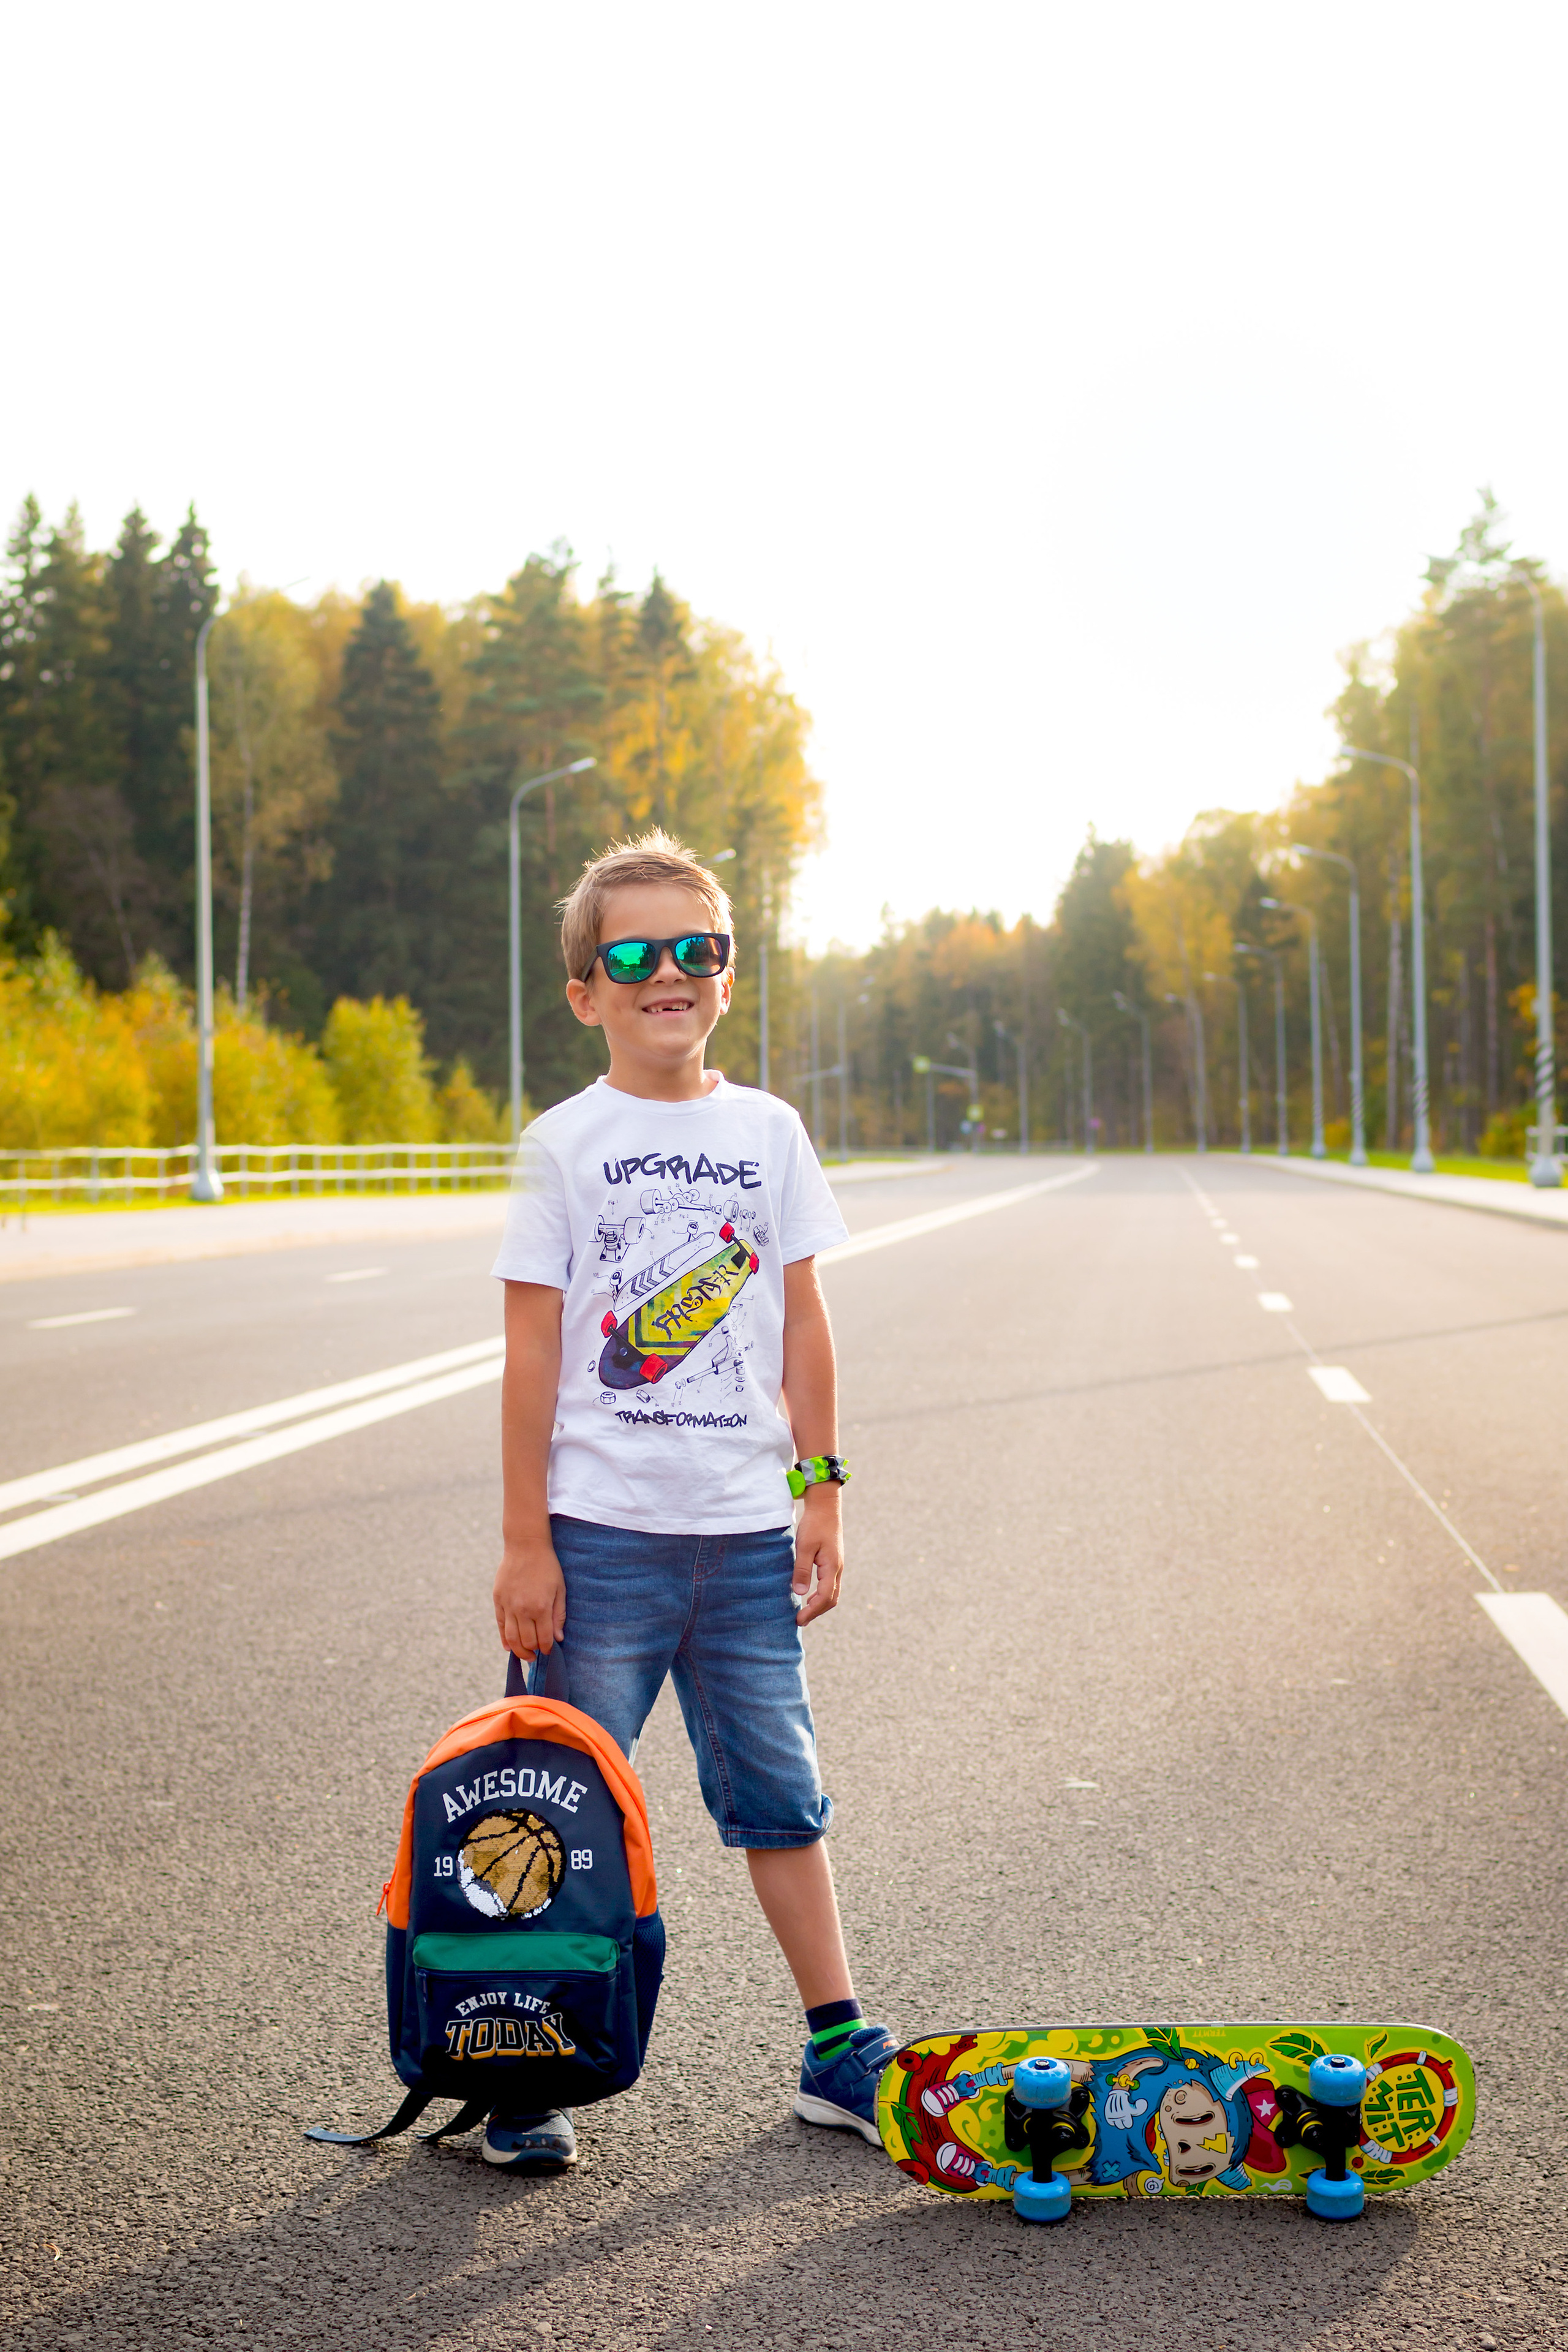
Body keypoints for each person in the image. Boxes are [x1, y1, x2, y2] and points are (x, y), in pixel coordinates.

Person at [484, 827, 894, 2173]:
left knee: (782, 1793)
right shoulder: (563, 1144)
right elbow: (531, 1353)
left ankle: (836, 2048)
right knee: (556, 1804)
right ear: (584, 992)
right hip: (601, 1538)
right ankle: (521, 2063)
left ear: (727, 971)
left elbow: (802, 1323)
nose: (668, 972)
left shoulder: (768, 1131)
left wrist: (821, 1493)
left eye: (696, 949)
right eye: (634, 956)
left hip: (744, 1535)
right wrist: (526, 1540)